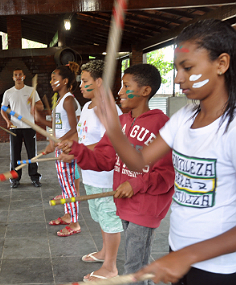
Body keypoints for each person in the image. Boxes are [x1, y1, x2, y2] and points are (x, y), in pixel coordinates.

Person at [93, 19, 236, 285]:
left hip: (219, 268)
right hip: (179, 249)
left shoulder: (232, 128)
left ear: (221, 64)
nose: (179, 78)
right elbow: (137, 161)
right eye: (177, 68)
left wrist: (187, 256)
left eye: (188, 68)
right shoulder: (184, 117)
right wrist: (113, 128)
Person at [59, 63, 175, 284]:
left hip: (146, 205)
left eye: (125, 86)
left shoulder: (162, 124)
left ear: (145, 90)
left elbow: (167, 174)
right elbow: (104, 159)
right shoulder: (121, 122)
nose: (120, 91)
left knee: (134, 264)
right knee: (135, 262)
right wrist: (77, 150)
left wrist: (137, 184)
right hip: (125, 203)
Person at [60, 60, 123, 280]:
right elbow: (82, 134)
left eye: (85, 81)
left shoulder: (109, 109)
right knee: (99, 217)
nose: (81, 85)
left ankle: (111, 267)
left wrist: (78, 151)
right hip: (90, 174)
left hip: (106, 176)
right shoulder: (87, 107)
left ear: (98, 82)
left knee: (109, 218)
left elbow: (113, 141)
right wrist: (70, 145)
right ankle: (105, 252)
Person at [38, 62, 80, 237]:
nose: (51, 81)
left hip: (67, 149)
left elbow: (76, 128)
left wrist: (58, 142)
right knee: (64, 186)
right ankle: (67, 215)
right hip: (60, 147)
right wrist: (38, 119)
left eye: (55, 78)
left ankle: (75, 223)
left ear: (65, 81)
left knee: (69, 187)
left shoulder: (69, 99)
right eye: (51, 78)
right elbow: (57, 126)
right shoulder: (60, 100)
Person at [1, 68, 44, 188]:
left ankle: (35, 177)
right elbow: (3, 109)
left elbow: (41, 106)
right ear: (13, 78)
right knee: (15, 154)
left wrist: (33, 105)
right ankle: (15, 179)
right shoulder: (8, 92)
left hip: (29, 126)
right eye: (16, 75)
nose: (18, 77)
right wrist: (7, 121)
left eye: (20, 75)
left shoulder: (31, 90)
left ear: (24, 76)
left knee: (32, 154)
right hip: (15, 127)